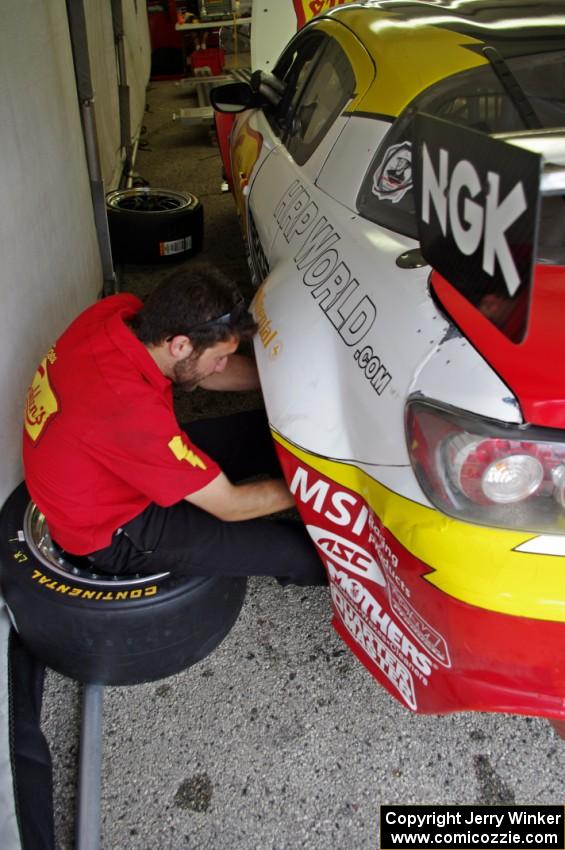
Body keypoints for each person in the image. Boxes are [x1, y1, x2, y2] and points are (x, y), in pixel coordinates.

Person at [22, 263, 326, 586]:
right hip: (113, 530)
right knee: (296, 551)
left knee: (260, 432)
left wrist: (291, 385)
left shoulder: (118, 313)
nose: (223, 365)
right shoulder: (131, 411)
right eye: (219, 356)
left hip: (113, 467)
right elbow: (230, 505)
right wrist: (324, 489)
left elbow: (206, 373)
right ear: (179, 345)